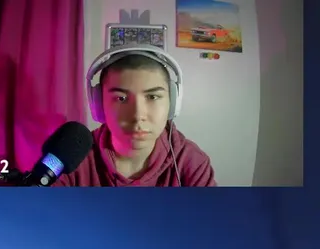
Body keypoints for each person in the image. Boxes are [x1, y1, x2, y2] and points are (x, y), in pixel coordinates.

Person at [55, 45, 216, 187]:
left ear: (172, 102)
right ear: (98, 103)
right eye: (121, 98)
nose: (138, 115)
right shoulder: (71, 156)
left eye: (152, 97)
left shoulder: (191, 162)